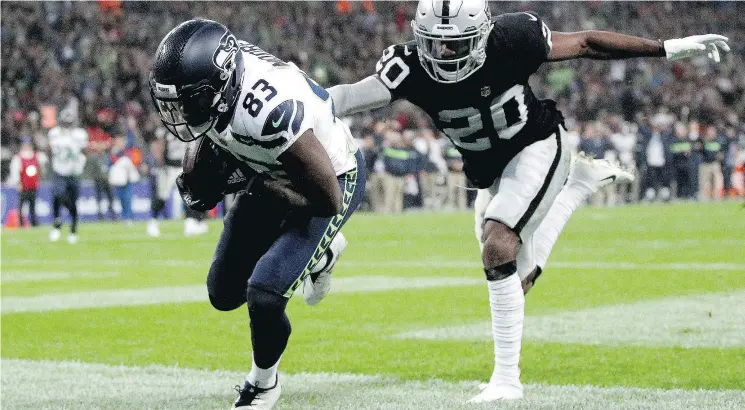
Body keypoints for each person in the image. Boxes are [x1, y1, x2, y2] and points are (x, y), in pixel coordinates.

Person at [327, 0, 729, 402]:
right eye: (435, 44)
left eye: (457, 43)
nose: (445, 54)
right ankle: (575, 190)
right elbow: (345, 97)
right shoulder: (408, 65)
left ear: (482, 36)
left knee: (498, 243)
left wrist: (666, 47)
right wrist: (293, 102)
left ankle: (506, 381)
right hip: (489, 172)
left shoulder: (513, 38)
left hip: (536, 145)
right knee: (514, 279)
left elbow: (588, 42)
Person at [149, 19, 365, 409]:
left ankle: (264, 384)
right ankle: (322, 252)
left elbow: (327, 200)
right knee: (223, 292)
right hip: (270, 167)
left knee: (264, 294)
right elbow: (211, 132)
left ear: (221, 87)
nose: (181, 112)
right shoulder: (219, 79)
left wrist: (264, 186)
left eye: (190, 101)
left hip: (331, 178)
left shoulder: (268, 110)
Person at [48, 109, 88, 243]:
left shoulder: (79, 134)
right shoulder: (54, 134)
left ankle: (73, 229)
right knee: (58, 195)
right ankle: (57, 223)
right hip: (59, 170)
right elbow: (50, 150)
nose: (67, 124)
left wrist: (80, 164)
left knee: (73, 201)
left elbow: (84, 151)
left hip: (74, 172)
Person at [7, 137, 48, 226]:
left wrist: (39, 178)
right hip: (23, 185)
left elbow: (42, 164)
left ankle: (34, 222)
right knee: (21, 206)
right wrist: (18, 183)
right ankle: (21, 223)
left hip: (33, 185)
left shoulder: (36, 156)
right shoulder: (18, 157)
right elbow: (15, 171)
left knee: (32, 206)